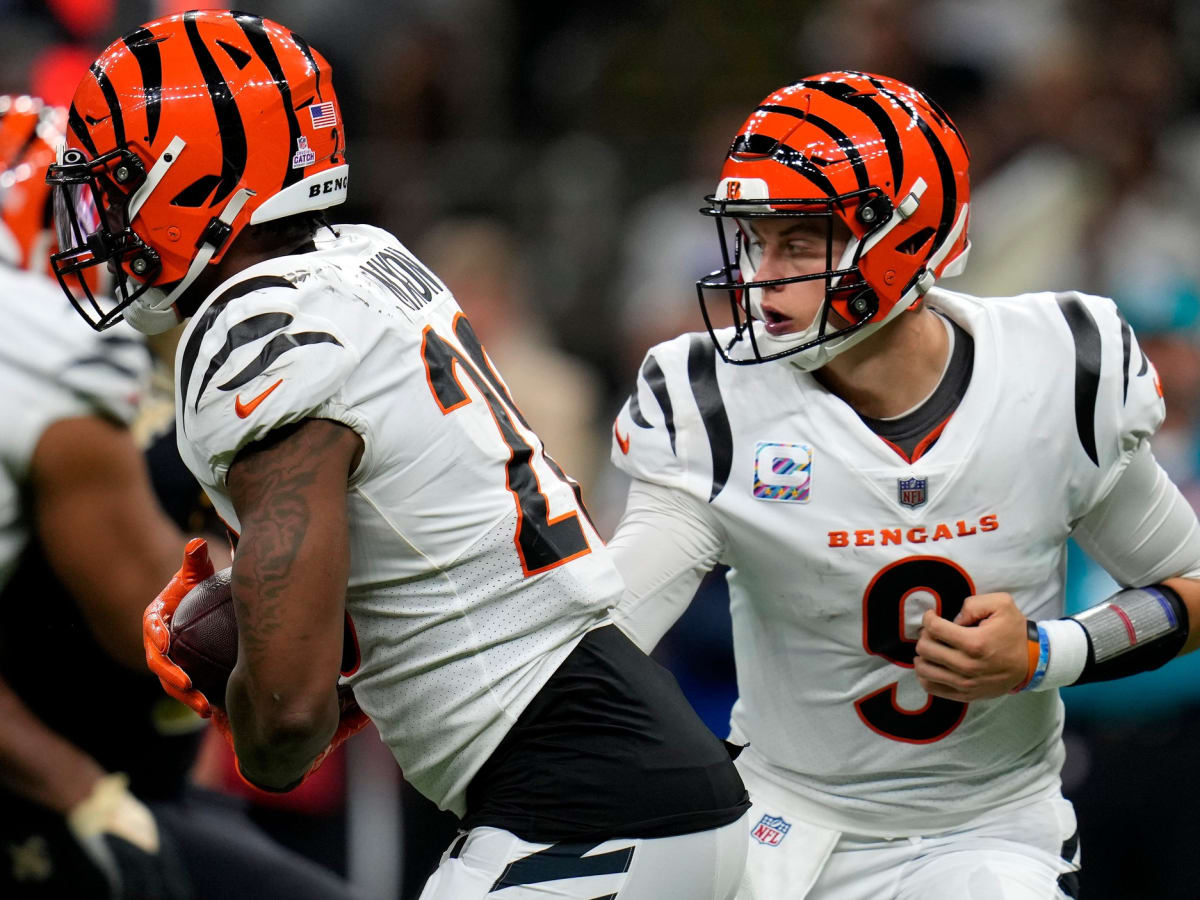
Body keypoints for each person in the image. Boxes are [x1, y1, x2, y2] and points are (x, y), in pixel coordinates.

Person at [45, 11, 750, 899]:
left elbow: (284, 732)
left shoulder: (257, 332)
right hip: (633, 778)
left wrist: (251, 685)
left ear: (197, 177)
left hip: (583, 815)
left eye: (121, 185)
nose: (101, 221)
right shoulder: (369, 263)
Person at [606, 70, 1200, 900]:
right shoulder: (713, 399)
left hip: (987, 832)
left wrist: (1044, 654)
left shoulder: (1059, 368)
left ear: (902, 237)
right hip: (779, 820)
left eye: (798, 242)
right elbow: (610, 623)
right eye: (753, 240)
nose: (759, 277)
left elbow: (1191, 587)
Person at [0, 95, 363, 899]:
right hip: (51, 784)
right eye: (88, 209)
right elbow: (149, 621)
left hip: (139, 772)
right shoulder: (58, 382)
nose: (110, 235)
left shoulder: (150, 368)